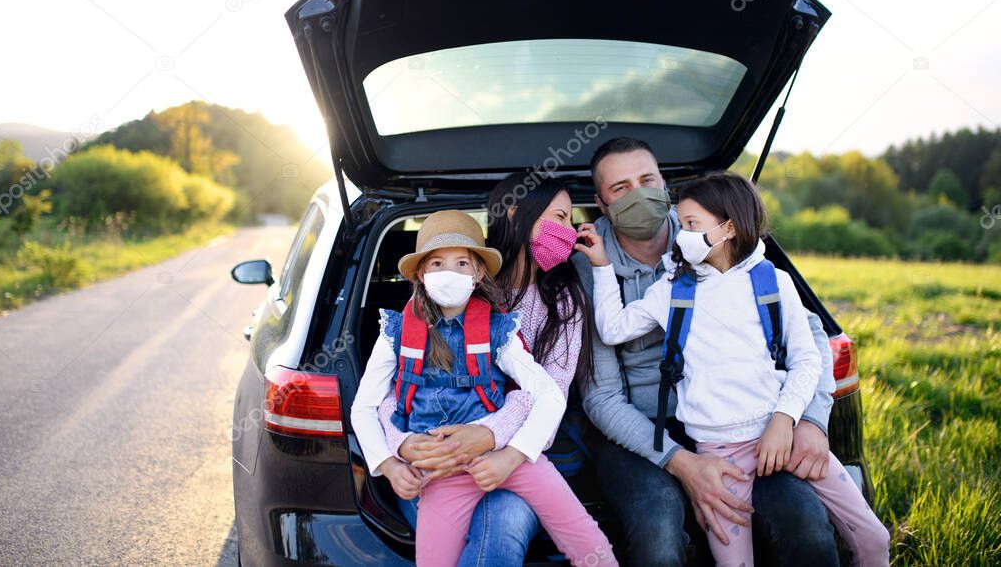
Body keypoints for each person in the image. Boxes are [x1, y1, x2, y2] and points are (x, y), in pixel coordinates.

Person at [581, 171, 891, 566]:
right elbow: (612, 329)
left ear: (727, 229)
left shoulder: (774, 282)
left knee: (873, 537)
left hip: (782, 438)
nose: (681, 235)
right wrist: (602, 267)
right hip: (719, 458)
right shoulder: (673, 289)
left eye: (691, 225)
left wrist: (788, 418)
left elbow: (807, 359)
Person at [349, 209, 616, 567]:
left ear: (477, 274)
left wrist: (514, 454)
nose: (450, 273)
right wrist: (389, 464)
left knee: (589, 545)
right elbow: (364, 407)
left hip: (508, 457)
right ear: (421, 274)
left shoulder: (497, 329)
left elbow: (548, 394)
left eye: (462, 263)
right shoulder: (395, 332)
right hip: (442, 473)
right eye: (437, 264)